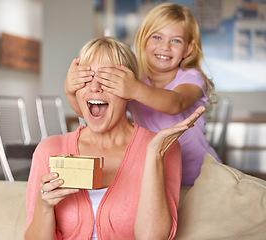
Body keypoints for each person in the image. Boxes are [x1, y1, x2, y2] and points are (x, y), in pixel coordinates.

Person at [25, 36, 205, 239]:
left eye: (107, 80)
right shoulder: (49, 150)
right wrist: (44, 205)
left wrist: (154, 154)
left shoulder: (164, 149)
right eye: (86, 78)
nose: (94, 88)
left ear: (129, 90)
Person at [64, 2, 220, 186]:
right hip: (157, 172)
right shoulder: (132, 79)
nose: (165, 46)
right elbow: (90, 114)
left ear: (188, 49)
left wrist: (134, 89)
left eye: (176, 40)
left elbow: (176, 103)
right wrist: (70, 90)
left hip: (199, 176)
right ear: (143, 39)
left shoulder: (192, 77)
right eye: (157, 37)